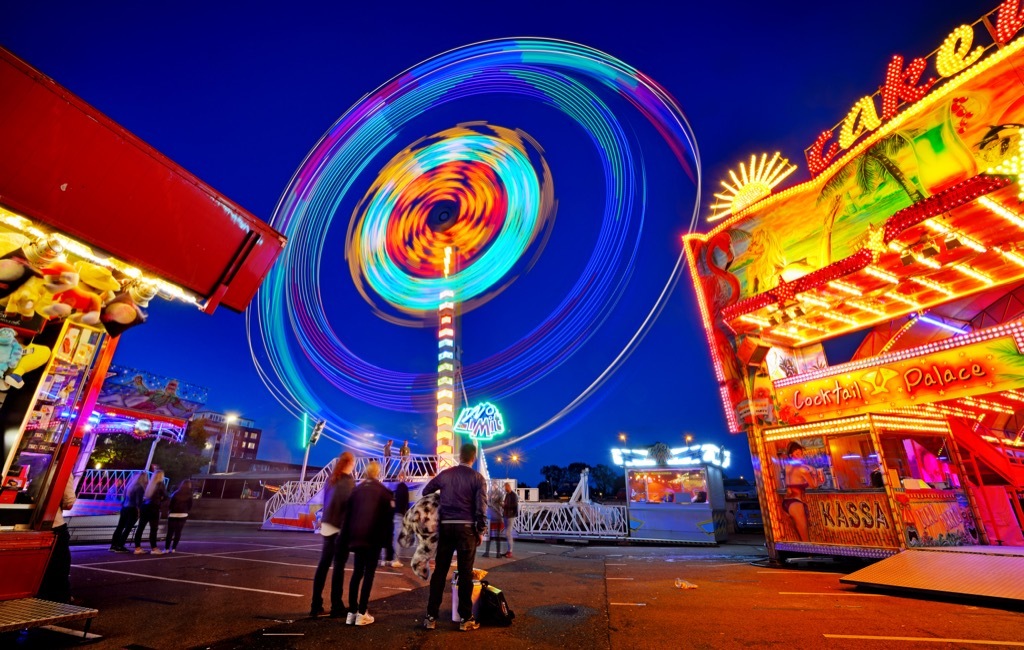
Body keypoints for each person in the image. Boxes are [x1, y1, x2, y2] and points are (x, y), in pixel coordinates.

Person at [422, 443, 486, 632]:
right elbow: (481, 506)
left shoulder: (446, 474)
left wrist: (438, 508)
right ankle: (465, 618)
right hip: (466, 529)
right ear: (473, 458)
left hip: (446, 527)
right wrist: (480, 530)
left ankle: (431, 616)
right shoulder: (478, 478)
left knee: (440, 571)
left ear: (459, 456)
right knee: (465, 572)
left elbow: (426, 491)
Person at [344, 461, 393, 626]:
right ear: (377, 473)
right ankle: (362, 612)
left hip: (357, 538)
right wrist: (388, 549)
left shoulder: (356, 490)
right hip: (374, 538)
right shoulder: (384, 492)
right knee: (369, 574)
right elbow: (388, 521)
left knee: (357, 573)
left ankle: (351, 611)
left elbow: (348, 516)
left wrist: (345, 539)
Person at [310, 451, 356, 618]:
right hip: (340, 527)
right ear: (349, 464)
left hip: (327, 524)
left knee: (323, 564)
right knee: (339, 566)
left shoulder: (331, 479)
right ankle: (337, 604)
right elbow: (350, 506)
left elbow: (326, 502)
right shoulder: (348, 481)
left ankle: (316, 604)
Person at [38, 473, 77, 602]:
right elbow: (69, 502)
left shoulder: (39, 467)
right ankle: (61, 596)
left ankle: (41, 593)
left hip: (36, 521)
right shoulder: (64, 471)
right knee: (61, 564)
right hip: (55, 522)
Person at [782, 441, 820, 542]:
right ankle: (809, 555)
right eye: (797, 454)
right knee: (805, 537)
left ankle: (803, 554)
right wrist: (815, 473)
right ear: (791, 455)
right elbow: (814, 486)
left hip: (786, 502)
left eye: (801, 453)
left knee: (797, 536)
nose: (800, 456)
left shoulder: (787, 467)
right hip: (796, 503)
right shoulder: (803, 469)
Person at [110, 472, 148, 553]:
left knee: (120, 527)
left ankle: (113, 545)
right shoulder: (140, 487)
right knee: (128, 528)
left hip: (125, 508)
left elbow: (124, 498)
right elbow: (139, 501)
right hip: (132, 509)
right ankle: (120, 545)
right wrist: (140, 510)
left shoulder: (129, 486)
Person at [134, 470, 167, 554]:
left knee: (140, 527)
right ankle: (154, 548)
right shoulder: (160, 484)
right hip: (154, 507)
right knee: (153, 528)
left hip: (145, 507)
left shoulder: (149, 485)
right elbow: (166, 496)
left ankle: (137, 547)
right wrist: (161, 499)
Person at [382, 479, 409, 568]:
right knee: (397, 539)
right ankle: (395, 559)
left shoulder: (392, 488)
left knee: (387, 537)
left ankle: (384, 559)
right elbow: (406, 504)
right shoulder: (404, 488)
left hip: (390, 515)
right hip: (399, 515)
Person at [165, 479, 193, 553]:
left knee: (170, 532)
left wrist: (170, 510)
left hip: (173, 514)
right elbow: (190, 505)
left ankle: (166, 548)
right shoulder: (189, 494)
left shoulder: (176, 493)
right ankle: (174, 548)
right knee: (178, 532)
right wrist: (186, 511)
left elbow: (171, 504)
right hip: (183, 514)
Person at [501, 482, 519, 558]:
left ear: (508, 487)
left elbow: (515, 505)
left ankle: (510, 551)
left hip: (510, 516)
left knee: (508, 533)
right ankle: (508, 551)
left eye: (505, 487)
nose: (504, 489)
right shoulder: (507, 495)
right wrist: (503, 506)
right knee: (507, 533)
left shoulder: (513, 495)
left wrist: (505, 505)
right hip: (506, 515)